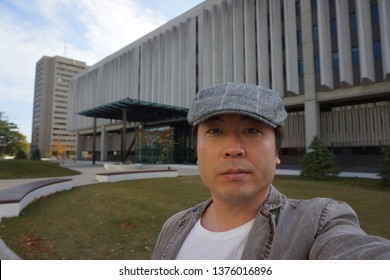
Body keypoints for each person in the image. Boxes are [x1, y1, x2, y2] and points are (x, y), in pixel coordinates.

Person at [152, 82, 390, 260]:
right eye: (215, 131)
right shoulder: (174, 226)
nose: (233, 149)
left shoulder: (319, 223)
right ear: (197, 152)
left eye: (252, 130)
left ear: (276, 152)